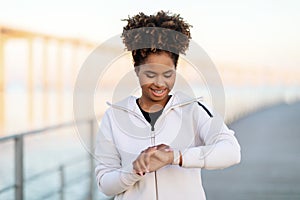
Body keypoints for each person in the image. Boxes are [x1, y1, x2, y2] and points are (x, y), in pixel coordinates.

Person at [95, 10, 241, 200]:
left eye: (167, 74)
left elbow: (231, 151)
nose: (159, 83)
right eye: (150, 74)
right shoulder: (114, 116)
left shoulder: (193, 110)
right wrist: (134, 169)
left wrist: (176, 157)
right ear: (136, 70)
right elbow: (105, 184)